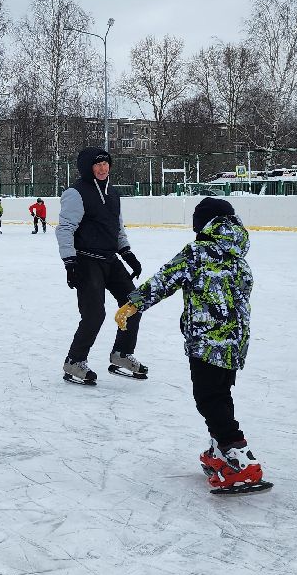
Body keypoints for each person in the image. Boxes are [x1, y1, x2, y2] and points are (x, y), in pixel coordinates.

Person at [113, 197, 266, 492]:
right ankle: (220, 451)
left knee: (208, 398)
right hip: (235, 343)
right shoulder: (238, 255)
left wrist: (133, 304)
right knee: (220, 395)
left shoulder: (197, 252)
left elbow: (165, 279)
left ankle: (239, 459)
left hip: (207, 341)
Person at [56, 147, 146, 384]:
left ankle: (122, 354)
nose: (103, 168)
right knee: (94, 314)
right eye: (97, 164)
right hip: (86, 260)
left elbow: (117, 228)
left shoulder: (113, 193)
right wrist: (69, 262)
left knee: (134, 303)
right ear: (87, 167)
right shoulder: (76, 193)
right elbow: (65, 229)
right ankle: (74, 361)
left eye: (106, 163)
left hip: (110, 259)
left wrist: (127, 253)